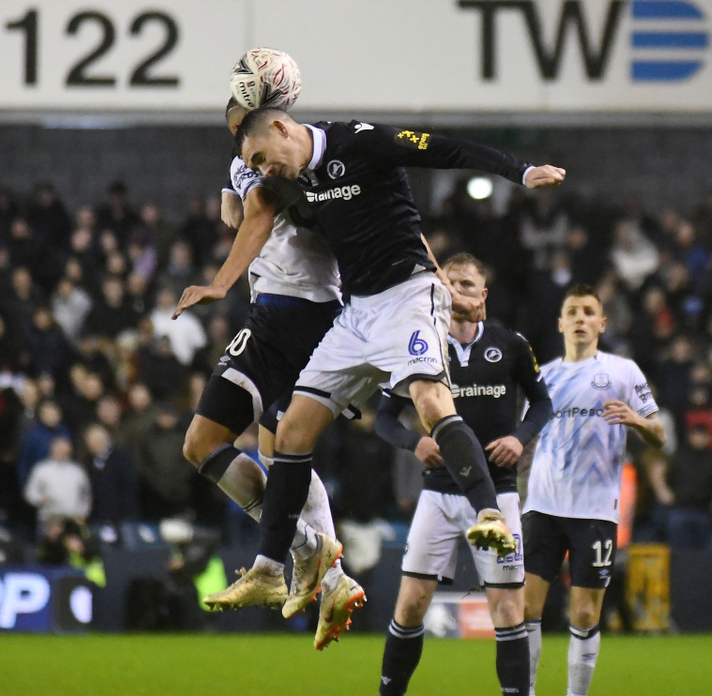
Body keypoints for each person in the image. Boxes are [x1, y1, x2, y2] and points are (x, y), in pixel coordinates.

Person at [178, 106, 565, 648]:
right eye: (254, 163)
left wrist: (518, 171)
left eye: (264, 156)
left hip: (407, 297)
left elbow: (442, 148)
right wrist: (233, 207)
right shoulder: (293, 180)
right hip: (355, 313)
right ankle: (271, 565)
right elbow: (257, 213)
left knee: (431, 401)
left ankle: (489, 515)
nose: (264, 169)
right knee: (289, 437)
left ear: (284, 129)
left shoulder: (360, 140)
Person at [175, 99, 356, 638]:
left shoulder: (310, 164)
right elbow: (240, 203)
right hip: (271, 313)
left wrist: (219, 282)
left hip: (306, 315)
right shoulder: (248, 162)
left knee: (258, 450)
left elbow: (256, 213)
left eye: (242, 120)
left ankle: (309, 569)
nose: (237, 135)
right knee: (235, 448)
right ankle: (321, 562)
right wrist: (234, 190)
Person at [373, 254, 553, 696]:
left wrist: (520, 437)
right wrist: (415, 442)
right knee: (411, 603)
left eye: (468, 285)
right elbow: (384, 419)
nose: (457, 290)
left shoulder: (510, 343)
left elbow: (543, 403)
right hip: (438, 492)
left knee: (508, 609)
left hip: (499, 494)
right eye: (450, 282)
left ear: (483, 295)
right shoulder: (416, 344)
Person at [522, 285, 665, 696]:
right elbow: (527, 443)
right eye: (573, 311)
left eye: (589, 311)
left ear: (602, 323)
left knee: (584, 613)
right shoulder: (542, 377)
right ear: (561, 322)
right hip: (544, 508)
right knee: (527, 608)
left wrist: (637, 422)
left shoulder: (623, 373)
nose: (581, 318)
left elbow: (660, 435)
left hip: (595, 511)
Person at [657, 422, 712, 549]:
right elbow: (658, 469)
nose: (699, 439)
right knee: (676, 536)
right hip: (680, 508)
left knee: (709, 544)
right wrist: (663, 491)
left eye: (703, 435)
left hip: (706, 510)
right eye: (696, 435)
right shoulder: (678, 455)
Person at [24, 437, 91, 530]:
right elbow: (30, 493)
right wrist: (40, 499)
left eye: (64, 450)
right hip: (49, 519)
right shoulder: (42, 469)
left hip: (71, 519)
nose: (62, 452)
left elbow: (86, 495)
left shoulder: (77, 471)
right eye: (59, 449)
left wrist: (83, 513)